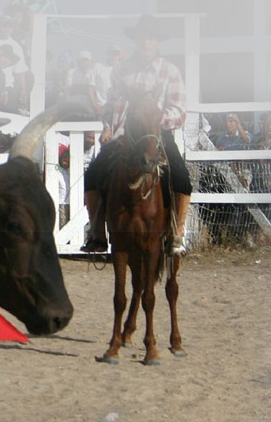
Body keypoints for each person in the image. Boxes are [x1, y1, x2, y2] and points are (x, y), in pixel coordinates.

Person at [80, 15, 191, 254]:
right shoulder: (121, 70)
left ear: (157, 42)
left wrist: (153, 121)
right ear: (137, 40)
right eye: (142, 38)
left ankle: (177, 231)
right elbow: (110, 105)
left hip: (156, 135)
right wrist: (108, 126)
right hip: (123, 136)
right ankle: (97, 231)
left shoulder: (169, 71)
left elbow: (180, 110)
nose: (146, 42)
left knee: (181, 176)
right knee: (93, 173)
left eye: (151, 38)